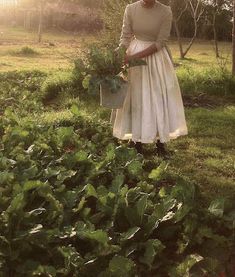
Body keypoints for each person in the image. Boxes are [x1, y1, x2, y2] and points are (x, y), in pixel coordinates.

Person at [111, 0, 188, 156]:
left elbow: (161, 42)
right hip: (134, 55)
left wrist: (134, 57)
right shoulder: (131, 9)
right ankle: (136, 141)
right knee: (136, 98)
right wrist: (120, 52)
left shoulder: (165, 11)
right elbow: (125, 36)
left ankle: (161, 144)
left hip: (156, 59)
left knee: (158, 98)